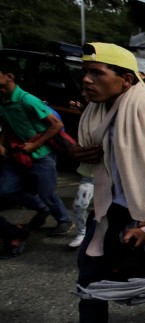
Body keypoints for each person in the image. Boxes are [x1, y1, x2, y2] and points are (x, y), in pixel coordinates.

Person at [72, 42, 145, 323]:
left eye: (97, 73)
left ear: (126, 80)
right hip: (106, 210)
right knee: (90, 279)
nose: (87, 80)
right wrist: (82, 154)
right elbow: (98, 156)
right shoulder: (94, 113)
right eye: (85, 72)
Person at [0, 57, 73, 236]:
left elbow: (56, 125)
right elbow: (8, 124)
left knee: (47, 193)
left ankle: (64, 220)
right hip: (18, 154)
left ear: (9, 76)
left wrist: (35, 145)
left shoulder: (27, 100)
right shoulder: (3, 101)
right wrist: (0, 144)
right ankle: (42, 208)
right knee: (6, 191)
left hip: (42, 156)